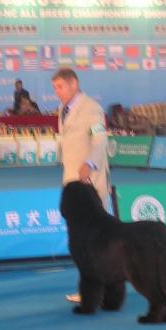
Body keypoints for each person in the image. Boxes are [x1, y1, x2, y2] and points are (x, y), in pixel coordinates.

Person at [52, 68, 109, 304]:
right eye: (55, 88)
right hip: (71, 183)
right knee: (80, 241)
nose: (57, 93)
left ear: (73, 84)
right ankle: (89, 288)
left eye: (60, 87)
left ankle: (100, 289)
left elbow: (100, 139)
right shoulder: (62, 110)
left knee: (95, 240)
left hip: (90, 183)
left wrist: (89, 163)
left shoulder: (92, 108)